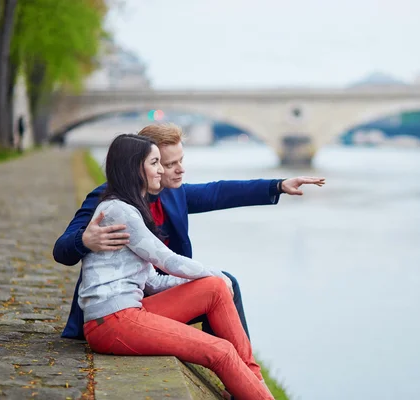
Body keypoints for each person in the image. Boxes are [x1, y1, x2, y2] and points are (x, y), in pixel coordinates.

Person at [53, 123, 325, 341]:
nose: (180, 170)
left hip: (163, 291)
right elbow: (62, 249)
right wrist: (84, 240)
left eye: (181, 160)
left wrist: (277, 185)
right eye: (169, 164)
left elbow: (219, 192)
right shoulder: (108, 199)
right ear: (146, 164)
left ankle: (240, 372)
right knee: (217, 285)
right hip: (122, 305)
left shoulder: (174, 194)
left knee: (225, 285)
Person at [77, 133, 273, 399]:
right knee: (220, 351)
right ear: (136, 169)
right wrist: (216, 274)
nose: (162, 170)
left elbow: (155, 280)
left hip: (130, 310)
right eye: (156, 163)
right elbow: (166, 260)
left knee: (214, 289)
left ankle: (254, 383)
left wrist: (210, 282)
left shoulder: (132, 209)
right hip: (111, 322)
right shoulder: (118, 211)